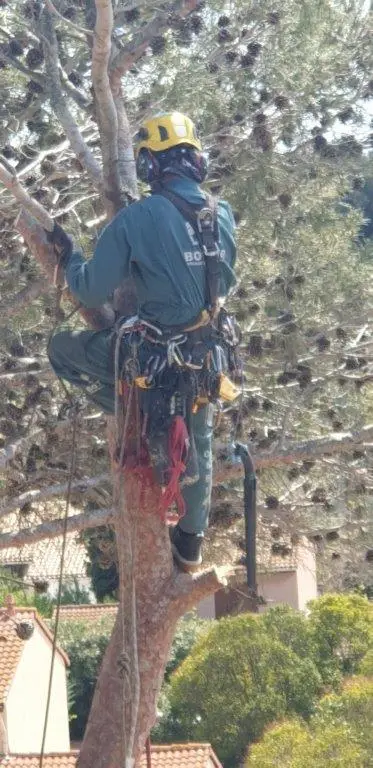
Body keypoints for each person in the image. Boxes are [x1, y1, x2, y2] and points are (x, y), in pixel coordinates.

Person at [47, 112, 237, 571]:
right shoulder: (221, 211)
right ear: (196, 161)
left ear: (152, 166)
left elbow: (90, 289)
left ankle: (127, 406)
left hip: (152, 354)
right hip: (206, 354)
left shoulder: (137, 218)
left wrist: (70, 258)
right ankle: (190, 542)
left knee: (60, 348)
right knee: (201, 439)